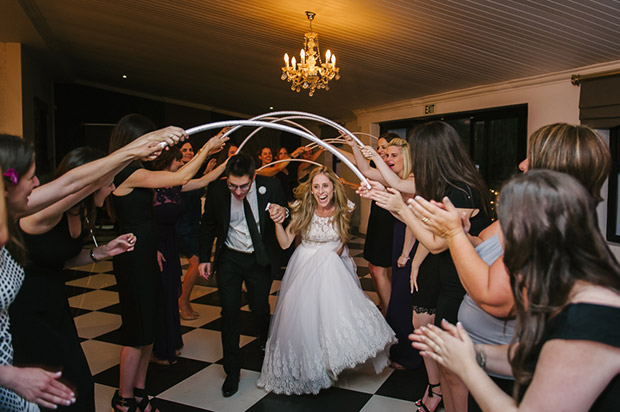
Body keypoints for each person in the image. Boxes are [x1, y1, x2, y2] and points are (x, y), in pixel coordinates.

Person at [407, 123, 612, 412]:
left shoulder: (583, 300)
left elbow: (496, 300)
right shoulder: (564, 240)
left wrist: (468, 366)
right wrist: (473, 354)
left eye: (532, 157)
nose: (521, 163)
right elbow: (537, 350)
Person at [367, 121, 491, 412]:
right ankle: (438, 393)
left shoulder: (462, 190)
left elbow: (438, 242)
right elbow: (431, 234)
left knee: (453, 363)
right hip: (447, 274)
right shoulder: (445, 185)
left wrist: (400, 210)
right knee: (440, 353)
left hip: (462, 282)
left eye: (419, 153)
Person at [108, 114, 227, 412]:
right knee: (137, 331)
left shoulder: (139, 170)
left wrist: (154, 249)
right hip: (132, 259)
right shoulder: (126, 172)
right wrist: (207, 149)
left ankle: (138, 392)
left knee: (149, 328)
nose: (156, 146)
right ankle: (123, 399)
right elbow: (179, 178)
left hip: (148, 254)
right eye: (151, 140)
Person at [10, 147, 137, 412]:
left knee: (78, 385)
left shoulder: (80, 211)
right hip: (27, 312)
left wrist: (102, 251)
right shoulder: (48, 212)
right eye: (108, 181)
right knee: (52, 394)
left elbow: (60, 259)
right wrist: (135, 150)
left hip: (55, 306)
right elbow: (72, 184)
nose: (112, 188)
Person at [257, 167, 396, 394]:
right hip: (304, 268)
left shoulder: (343, 210)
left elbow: (341, 242)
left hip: (332, 267)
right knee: (306, 320)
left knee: (332, 318)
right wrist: (277, 223)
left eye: (325, 186)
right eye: (316, 186)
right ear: (311, 190)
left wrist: (329, 258)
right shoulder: (303, 210)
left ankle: (330, 362)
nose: (321, 191)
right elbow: (284, 243)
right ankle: (312, 368)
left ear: (333, 188)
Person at [198, 153, 288, 398]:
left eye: (243, 186)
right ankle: (232, 370)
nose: (237, 192)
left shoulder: (271, 186)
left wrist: (283, 213)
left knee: (259, 308)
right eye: (232, 186)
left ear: (254, 177)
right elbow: (207, 224)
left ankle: (263, 339)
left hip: (258, 257)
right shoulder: (217, 190)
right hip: (230, 257)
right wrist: (204, 257)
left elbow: (287, 211)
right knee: (229, 311)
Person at [148, 146, 227, 365]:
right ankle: (157, 349)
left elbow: (202, 182)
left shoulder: (174, 184)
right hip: (157, 244)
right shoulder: (151, 181)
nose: (181, 163)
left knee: (171, 289)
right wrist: (208, 147)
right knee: (161, 294)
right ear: (168, 160)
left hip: (170, 242)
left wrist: (224, 165)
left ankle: (169, 343)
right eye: (178, 160)